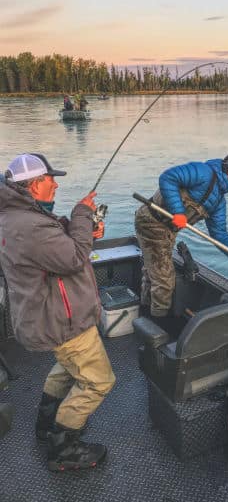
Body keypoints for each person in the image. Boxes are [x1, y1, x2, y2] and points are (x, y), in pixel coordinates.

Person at [0, 153, 114, 472]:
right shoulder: (28, 223)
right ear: (35, 184)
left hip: (47, 315)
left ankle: (46, 423)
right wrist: (81, 215)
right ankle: (63, 446)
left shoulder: (17, 215)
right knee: (98, 382)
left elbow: (53, 247)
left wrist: (83, 231)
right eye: (51, 179)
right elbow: (74, 259)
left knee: (67, 367)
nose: (55, 184)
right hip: (63, 320)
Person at [135, 154, 228, 326]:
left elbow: (220, 235)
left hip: (168, 231)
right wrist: (178, 211)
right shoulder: (203, 172)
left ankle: (145, 315)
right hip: (151, 222)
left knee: (154, 272)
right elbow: (168, 177)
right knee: (164, 281)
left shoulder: (219, 202)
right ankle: (157, 328)